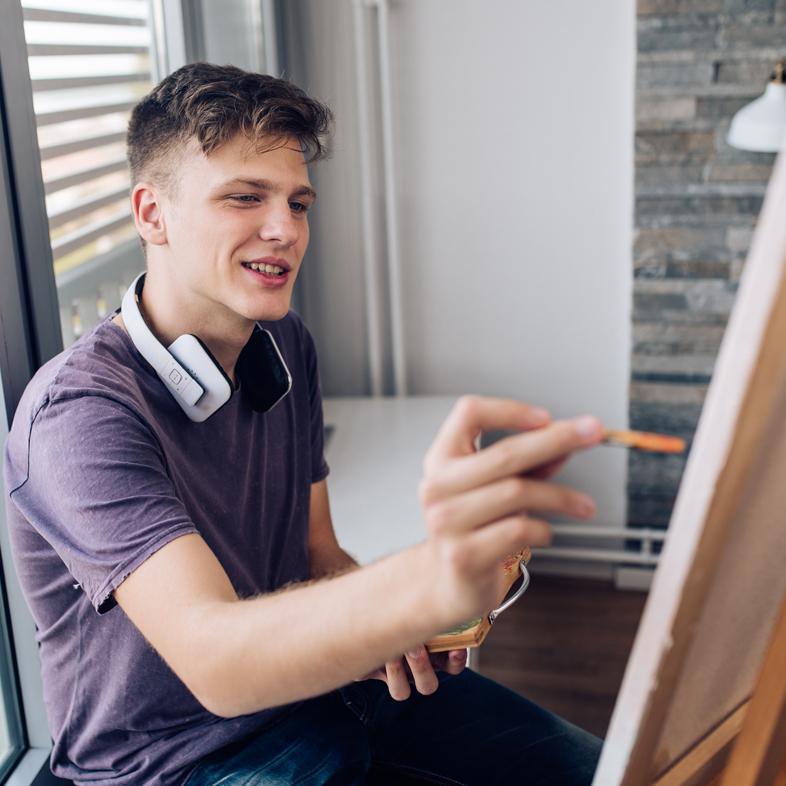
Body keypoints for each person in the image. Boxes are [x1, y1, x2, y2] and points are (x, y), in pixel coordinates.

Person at [4, 62, 605, 785]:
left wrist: (402, 633)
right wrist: (421, 582)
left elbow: (318, 554)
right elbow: (218, 664)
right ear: (150, 214)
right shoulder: (77, 416)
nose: (284, 229)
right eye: (244, 198)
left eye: (299, 202)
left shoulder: (285, 343)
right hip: (177, 764)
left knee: (601, 771)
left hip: (324, 694)